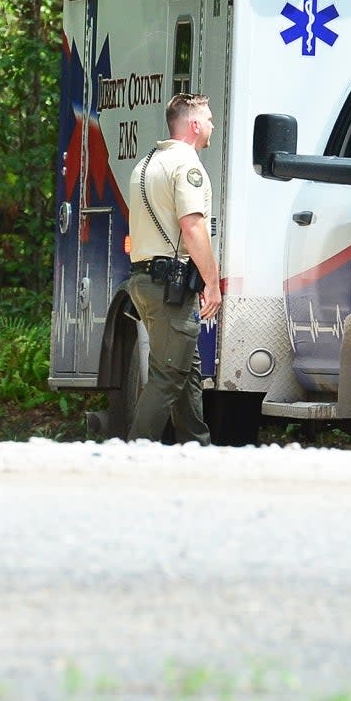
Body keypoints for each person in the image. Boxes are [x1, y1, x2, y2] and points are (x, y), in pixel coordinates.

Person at [126, 93, 221, 444]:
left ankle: (196, 447)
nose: (212, 125)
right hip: (171, 287)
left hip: (144, 279)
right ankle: (134, 453)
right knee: (169, 375)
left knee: (187, 372)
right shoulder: (187, 165)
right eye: (208, 119)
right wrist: (212, 282)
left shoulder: (148, 163)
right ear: (194, 125)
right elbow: (192, 227)